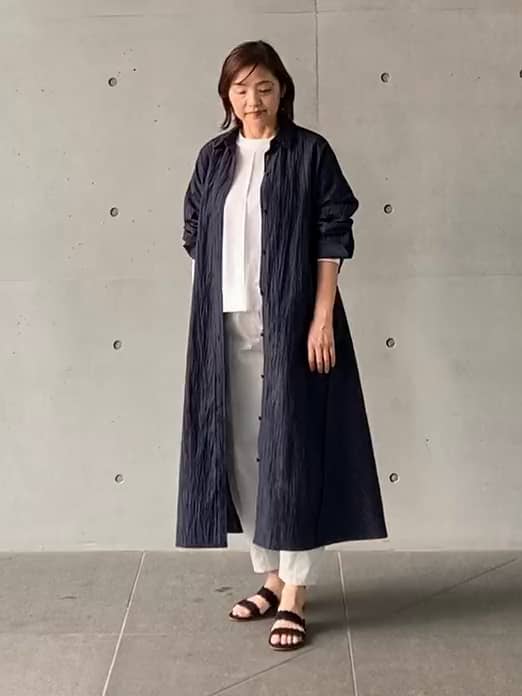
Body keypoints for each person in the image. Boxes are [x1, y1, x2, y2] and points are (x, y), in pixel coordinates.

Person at [176, 40, 389, 652]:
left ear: (282, 90)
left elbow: (333, 232)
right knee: (245, 453)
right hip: (224, 324)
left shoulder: (309, 153)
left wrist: (321, 317)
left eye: (264, 87)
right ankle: (270, 575)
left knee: (293, 451)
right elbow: (194, 231)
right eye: (241, 89)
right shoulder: (215, 157)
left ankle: (295, 591)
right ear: (227, 95)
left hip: (294, 324)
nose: (253, 99)